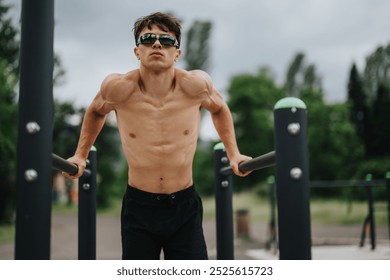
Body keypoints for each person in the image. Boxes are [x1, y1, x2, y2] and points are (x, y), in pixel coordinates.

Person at [62, 12, 251, 260]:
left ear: (177, 53)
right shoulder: (118, 88)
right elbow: (96, 111)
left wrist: (233, 153)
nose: (158, 44)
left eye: (167, 40)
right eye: (148, 39)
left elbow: (219, 108)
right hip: (139, 205)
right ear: (137, 51)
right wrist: (80, 155)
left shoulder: (195, 85)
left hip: (184, 204)